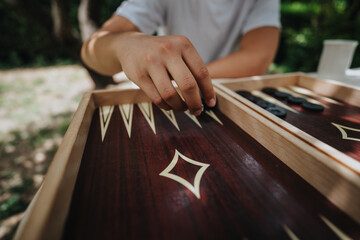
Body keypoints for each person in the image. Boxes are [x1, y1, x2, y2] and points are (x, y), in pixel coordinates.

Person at [81, 0, 281, 116]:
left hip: (227, 100)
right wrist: (124, 45)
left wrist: (187, 81)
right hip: (177, 103)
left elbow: (258, 57)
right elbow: (92, 52)